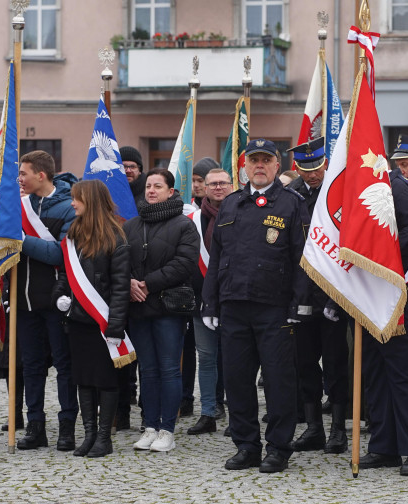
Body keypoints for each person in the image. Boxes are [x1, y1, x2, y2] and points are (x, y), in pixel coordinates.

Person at [201, 139, 311, 474]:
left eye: (266, 160)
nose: (259, 166)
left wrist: (300, 305)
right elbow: (217, 257)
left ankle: (278, 448)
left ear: (277, 165)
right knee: (236, 380)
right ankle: (247, 445)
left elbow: (302, 259)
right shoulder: (232, 203)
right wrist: (210, 303)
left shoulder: (292, 203)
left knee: (278, 382)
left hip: (274, 308)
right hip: (234, 306)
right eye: (253, 161)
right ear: (244, 166)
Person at [355, 151, 408, 476]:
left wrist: (381, 256)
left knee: (407, 371)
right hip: (369, 290)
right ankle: (384, 446)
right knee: (375, 371)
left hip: (403, 288)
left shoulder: (400, 187)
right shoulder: (357, 189)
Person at [53, 180, 132, 458]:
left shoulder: (115, 237)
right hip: (77, 321)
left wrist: (116, 327)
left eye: (77, 199)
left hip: (104, 323)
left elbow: (121, 287)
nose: (73, 203)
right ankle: (88, 436)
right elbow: (65, 274)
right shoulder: (74, 233)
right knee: (83, 379)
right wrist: (60, 295)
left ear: (92, 201)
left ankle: (103, 438)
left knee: (106, 380)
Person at [125, 168, 200, 453]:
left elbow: (184, 263)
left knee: (169, 369)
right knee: (148, 369)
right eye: (148, 186)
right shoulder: (131, 226)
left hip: (169, 307)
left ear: (171, 191)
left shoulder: (184, 225)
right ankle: (149, 426)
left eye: (158, 186)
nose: (151, 190)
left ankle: (167, 429)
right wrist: (130, 282)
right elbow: (120, 260)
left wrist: (147, 283)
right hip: (139, 307)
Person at [286, 137, 348, 452]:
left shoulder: (339, 191)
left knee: (337, 362)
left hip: (333, 290)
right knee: (304, 362)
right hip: (300, 290)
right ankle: (313, 428)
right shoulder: (291, 195)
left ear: (326, 163)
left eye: (317, 168)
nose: (312, 175)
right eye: (305, 169)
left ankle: (338, 429)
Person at [15, 150, 79, 451]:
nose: (20, 179)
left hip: (56, 300)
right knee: (32, 366)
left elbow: (59, 254)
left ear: (41, 175)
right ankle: (35, 426)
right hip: (25, 299)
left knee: (65, 366)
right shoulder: (18, 206)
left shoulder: (68, 208)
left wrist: (20, 240)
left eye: (24, 173)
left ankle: (67, 425)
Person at [186, 168, 231, 435]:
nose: (216, 188)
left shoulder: (242, 211)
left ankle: (236, 412)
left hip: (233, 297)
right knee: (206, 357)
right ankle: (208, 412)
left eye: (222, 183)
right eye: (211, 184)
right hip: (202, 298)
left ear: (231, 185)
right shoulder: (192, 219)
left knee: (237, 358)